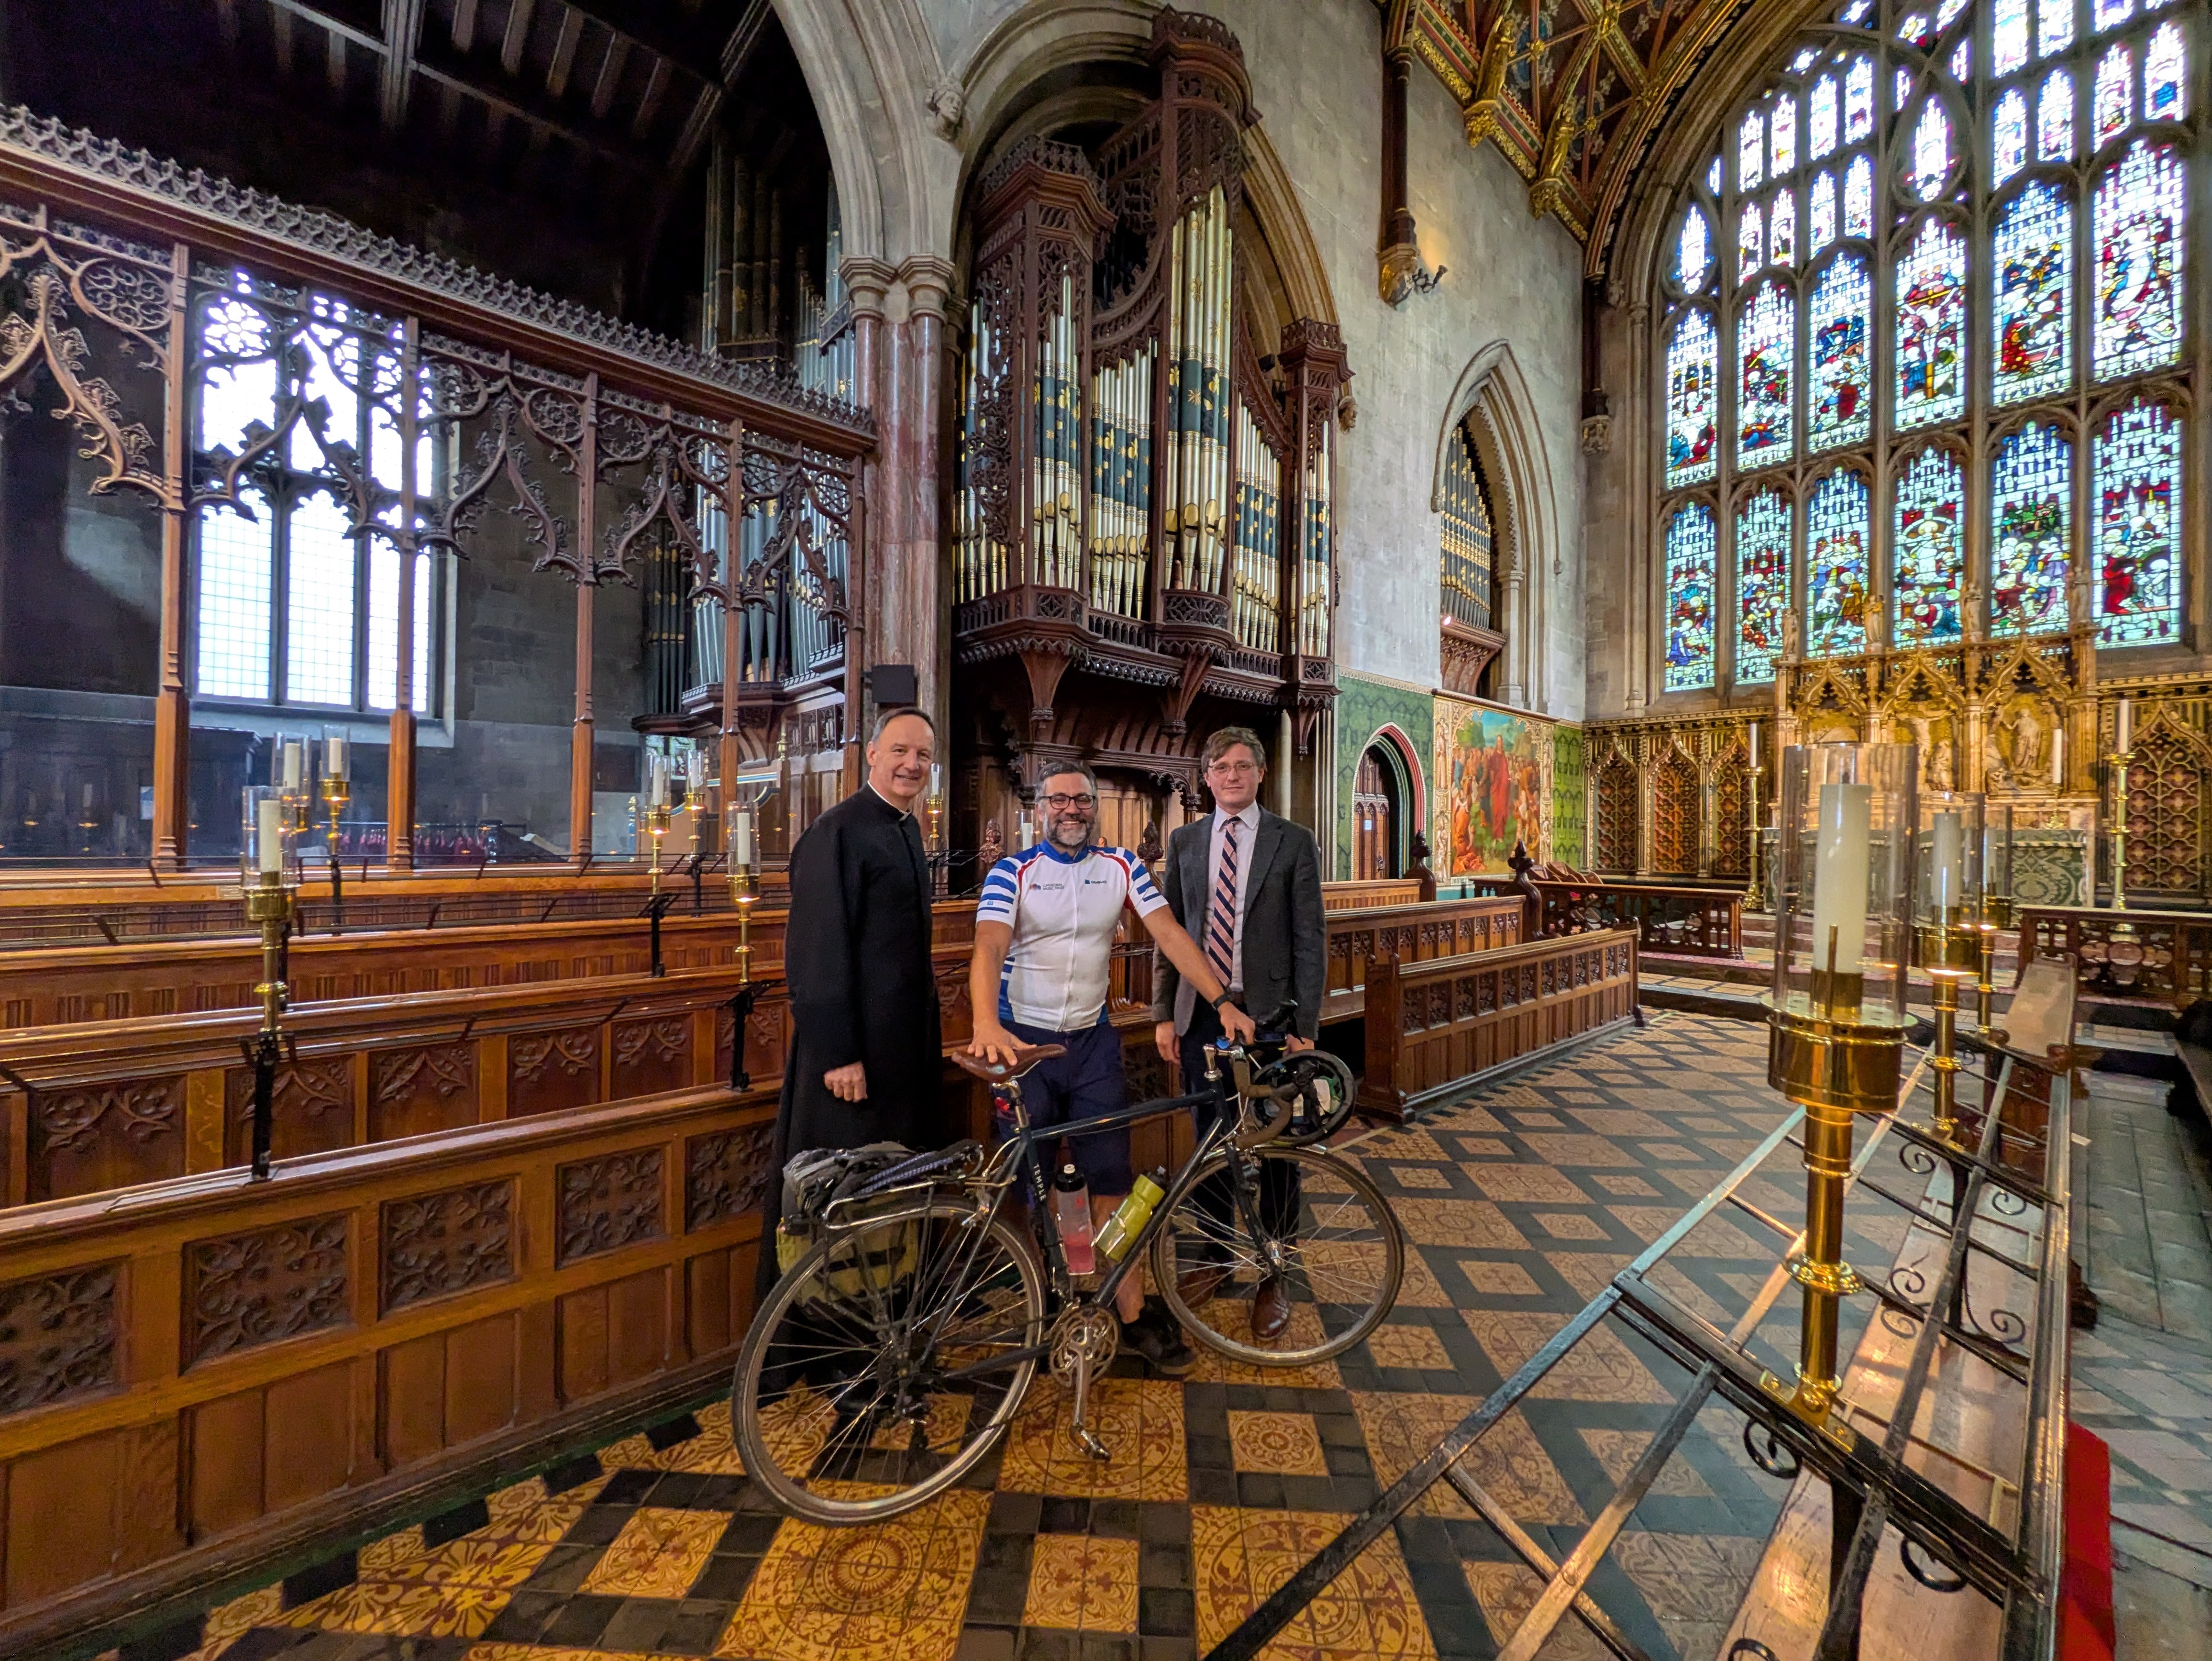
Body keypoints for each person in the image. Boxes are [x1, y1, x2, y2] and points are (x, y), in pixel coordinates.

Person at [968, 763, 1255, 1375]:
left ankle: (1131, 1312)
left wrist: (1222, 1000)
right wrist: (985, 1023)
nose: (1070, 809)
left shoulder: (1121, 865)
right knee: (1031, 1183)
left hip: (1092, 1044)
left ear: (1093, 806)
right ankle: (1046, 1306)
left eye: (1081, 799)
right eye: (1058, 800)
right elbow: (989, 945)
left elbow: (1170, 935)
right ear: (1040, 808)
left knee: (1111, 1181)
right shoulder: (1012, 871)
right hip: (1024, 1044)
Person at [760, 707, 943, 1297]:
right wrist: (839, 1053)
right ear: (872, 754)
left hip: (898, 1059)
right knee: (839, 1206)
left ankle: (890, 1323)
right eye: (900, 751)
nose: (911, 764)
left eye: (923, 755)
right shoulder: (837, 831)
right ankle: (830, 1338)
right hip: (849, 1064)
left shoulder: (906, 828)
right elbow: (817, 952)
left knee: (889, 1197)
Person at [1151, 726, 1326, 1340]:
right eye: (1221, 766)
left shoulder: (1292, 840)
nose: (1231, 775)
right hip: (1202, 1013)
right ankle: (1217, 1254)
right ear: (1206, 777)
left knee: (1277, 1145)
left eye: (1243, 766)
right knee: (1210, 1138)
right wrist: (1162, 1013)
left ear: (1260, 773)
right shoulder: (1186, 840)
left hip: (1273, 1016)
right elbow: (1170, 933)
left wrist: (1305, 1027)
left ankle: (1275, 1268)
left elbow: (1310, 939)